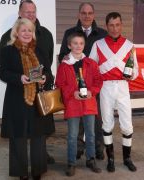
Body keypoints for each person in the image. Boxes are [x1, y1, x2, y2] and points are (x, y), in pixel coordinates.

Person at [0, 0, 55, 164]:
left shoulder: (45, 37)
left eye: (33, 11)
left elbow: (48, 66)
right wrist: (19, 78)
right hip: (17, 95)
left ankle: (39, 163)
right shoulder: (7, 41)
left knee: (39, 134)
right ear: (19, 14)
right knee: (18, 134)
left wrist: (45, 78)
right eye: (27, 11)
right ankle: (20, 170)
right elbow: (3, 69)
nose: (31, 14)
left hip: (38, 94)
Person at [89, 12, 139, 172]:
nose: (115, 28)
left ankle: (127, 158)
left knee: (127, 124)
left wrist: (131, 74)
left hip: (123, 86)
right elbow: (91, 67)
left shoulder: (130, 45)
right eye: (111, 25)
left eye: (117, 24)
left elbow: (136, 70)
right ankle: (110, 158)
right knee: (107, 123)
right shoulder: (98, 44)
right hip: (106, 87)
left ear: (121, 25)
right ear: (106, 26)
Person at [58, 2, 107, 160]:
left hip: (93, 84)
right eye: (84, 13)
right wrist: (65, 58)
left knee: (95, 121)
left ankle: (97, 150)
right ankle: (78, 149)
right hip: (74, 87)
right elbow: (62, 55)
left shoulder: (102, 34)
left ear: (93, 15)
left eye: (90, 13)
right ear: (79, 14)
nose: (87, 16)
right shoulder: (69, 32)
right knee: (76, 124)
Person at [55, 32, 103, 176]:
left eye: (81, 43)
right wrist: (72, 93)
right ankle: (71, 163)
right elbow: (60, 84)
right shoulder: (64, 66)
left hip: (89, 104)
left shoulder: (91, 63)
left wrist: (92, 91)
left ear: (84, 45)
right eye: (75, 43)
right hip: (72, 104)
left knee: (91, 134)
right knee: (72, 136)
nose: (78, 46)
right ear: (69, 45)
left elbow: (98, 81)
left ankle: (91, 159)